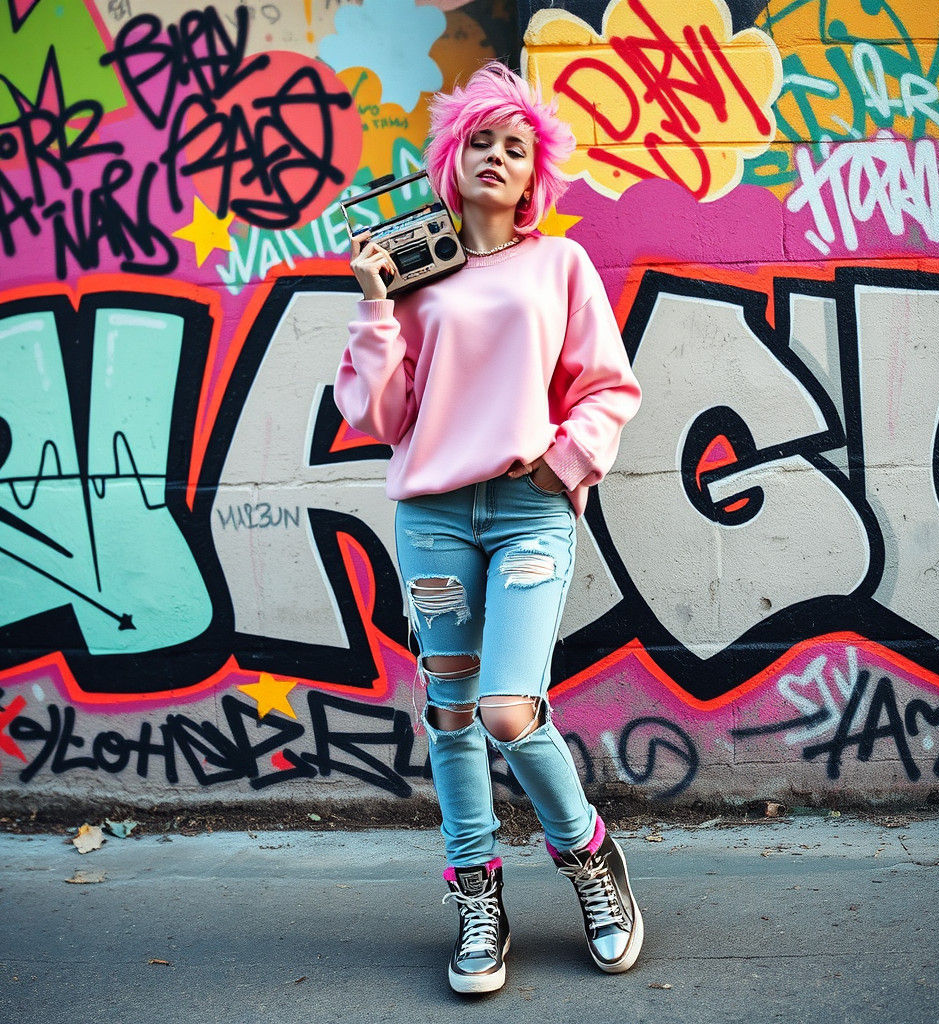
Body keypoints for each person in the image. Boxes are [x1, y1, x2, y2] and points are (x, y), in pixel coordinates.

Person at [334, 62, 643, 995]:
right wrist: (378, 306)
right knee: (453, 714)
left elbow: (609, 387)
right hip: (432, 520)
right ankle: (476, 891)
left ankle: (589, 856)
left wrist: (559, 464)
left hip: (525, 512)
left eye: (516, 147)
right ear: (451, 157)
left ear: (534, 171)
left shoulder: (560, 264)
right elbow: (378, 416)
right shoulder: (415, 277)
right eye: (481, 141)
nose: (496, 158)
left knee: (511, 710)